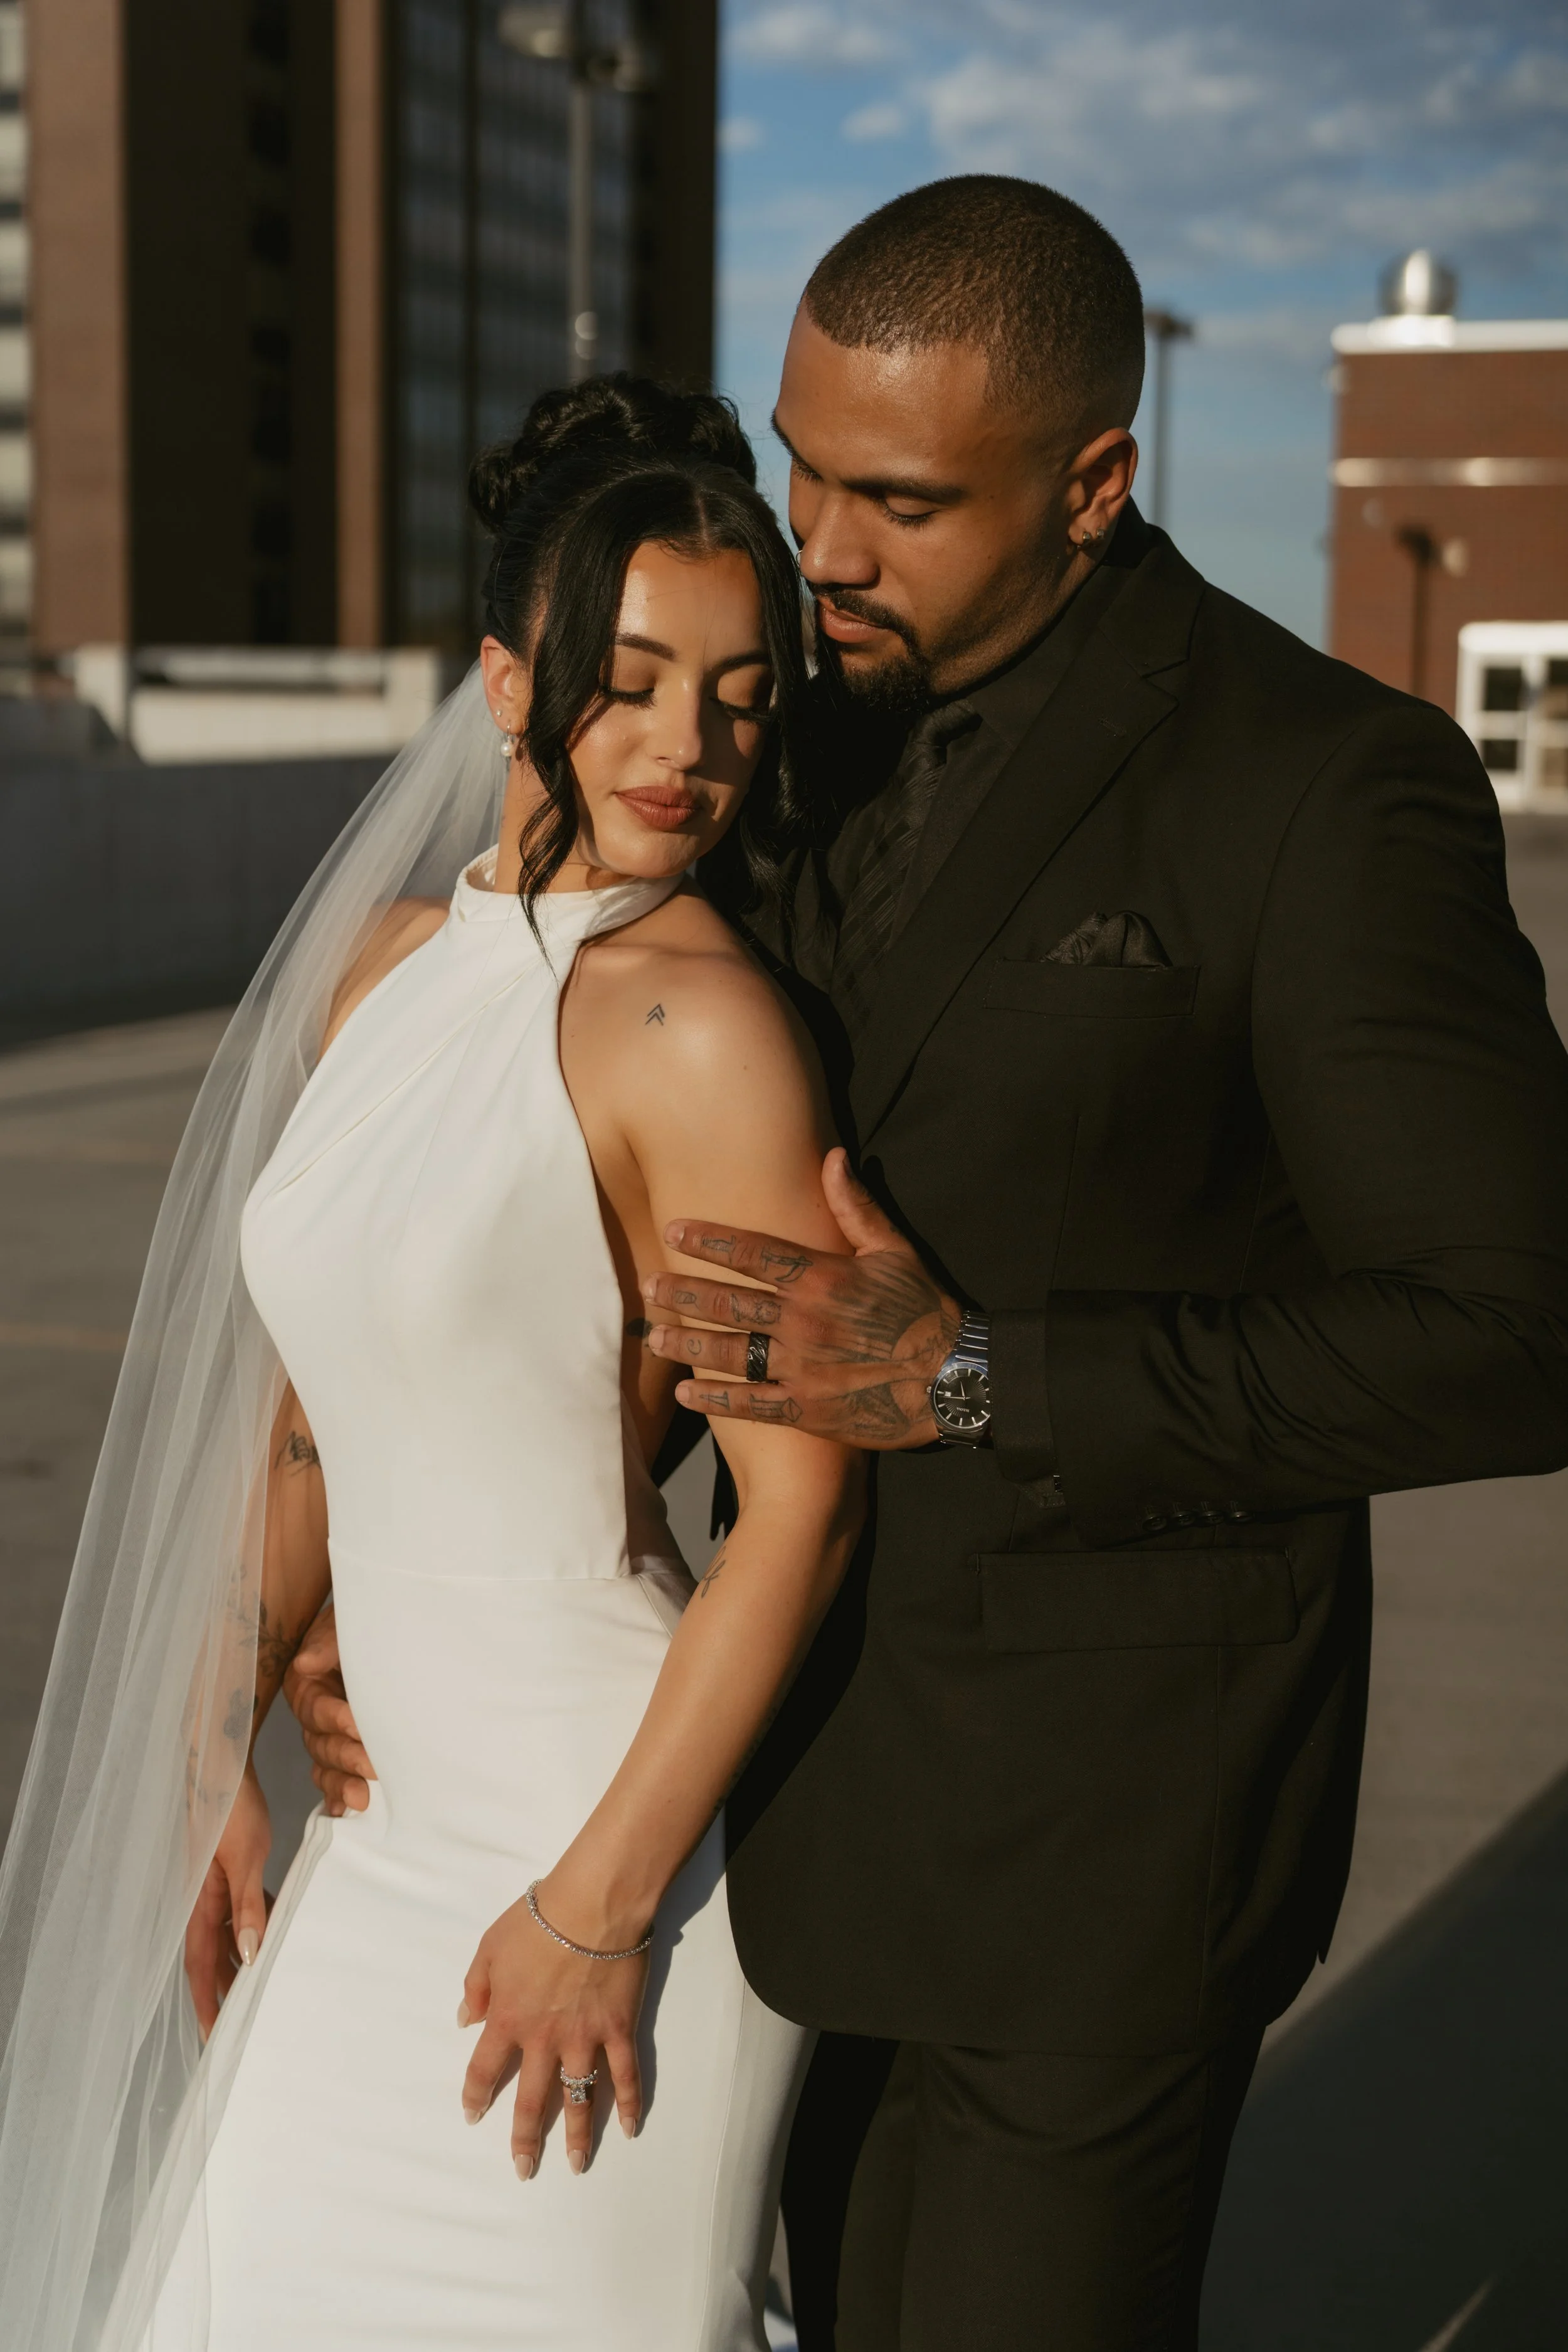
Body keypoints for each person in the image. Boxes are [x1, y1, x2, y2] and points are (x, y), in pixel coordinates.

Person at [294, 180, 1568, 2349]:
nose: (822, 543)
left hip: (1098, 1857)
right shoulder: (787, 724)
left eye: (892, 496)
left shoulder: (1321, 787)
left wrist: (979, 1377)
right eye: (800, 466)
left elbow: (1517, 1330)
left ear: (1091, 485)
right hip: (770, 1809)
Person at [0, 379, 862, 2352]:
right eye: (629, 678)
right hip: (375, 1849)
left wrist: (595, 1905)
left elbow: (797, 1515)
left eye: (740, 694)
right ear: (503, 676)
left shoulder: (701, 1024)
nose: (687, 745)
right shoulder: (388, 966)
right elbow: (312, 1404)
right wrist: (218, 1732)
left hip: (603, 1836)